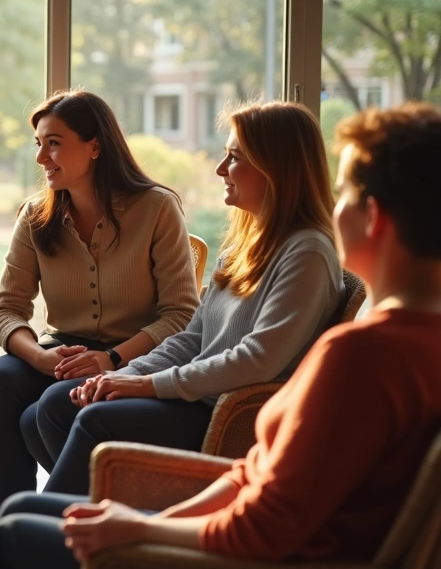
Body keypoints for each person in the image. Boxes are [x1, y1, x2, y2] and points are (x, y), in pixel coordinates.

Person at [0, 101, 441, 569]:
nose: (219, 168)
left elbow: (261, 525)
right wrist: (136, 507)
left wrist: (141, 529)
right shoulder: (395, 343)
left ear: (374, 216)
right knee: (18, 512)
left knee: (14, 539)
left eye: (346, 193)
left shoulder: (357, 353)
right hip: (252, 537)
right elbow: (255, 471)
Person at [31, 100, 345, 495]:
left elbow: (258, 360)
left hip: (226, 417)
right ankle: (107, 516)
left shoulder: (308, 253)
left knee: (93, 419)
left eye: (234, 157)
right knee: (53, 406)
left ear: (276, 167)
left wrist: (148, 385)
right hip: (196, 397)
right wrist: (122, 376)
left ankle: (60, 532)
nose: (219, 169)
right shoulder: (244, 247)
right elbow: (192, 339)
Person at [0, 89, 199, 518]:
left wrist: (112, 358)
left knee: (52, 404)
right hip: (60, 350)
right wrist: (39, 357)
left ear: (95, 146)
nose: (41, 157)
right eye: (38, 144)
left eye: (54, 143)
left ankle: (62, 524)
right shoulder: (34, 217)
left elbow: (182, 315)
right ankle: (7, 525)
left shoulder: (156, 209)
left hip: (137, 354)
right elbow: (5, 311)